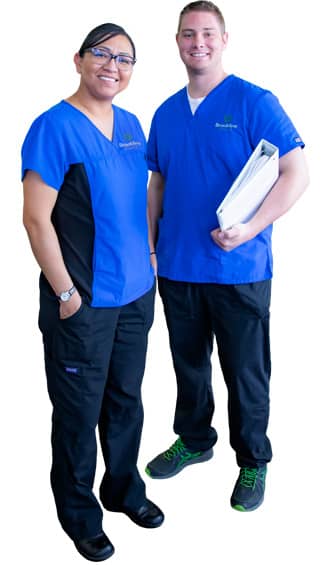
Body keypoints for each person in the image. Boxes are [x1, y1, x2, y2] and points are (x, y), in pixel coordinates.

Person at [145, 1, 309, 512]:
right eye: (189, 33)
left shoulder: (254, 101)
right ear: (177, 42)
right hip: (177, 267)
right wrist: (152, 246)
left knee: (245, 371)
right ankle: (194, 439)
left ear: (224, 39)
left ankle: (253, 459)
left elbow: (296, 173)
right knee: (188, 365)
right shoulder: (166, 112)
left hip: (239, 271)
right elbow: (158, 182)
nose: (199, 41)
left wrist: (251, 229)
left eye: (208, 33)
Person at [22, 23, 164, 562]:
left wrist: (151, 258)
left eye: (125, 59)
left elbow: (145, 198)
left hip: (134, 297)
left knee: (127, 401)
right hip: (80, 301)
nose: (113, 66)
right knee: (79, 412)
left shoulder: (131, 126)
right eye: (102, 54)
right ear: (78, 59)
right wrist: (65, 294)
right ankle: (78, 512)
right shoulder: (53, 127)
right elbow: (36, 220)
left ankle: (124, 489)